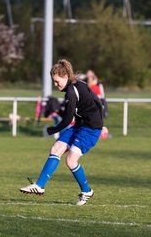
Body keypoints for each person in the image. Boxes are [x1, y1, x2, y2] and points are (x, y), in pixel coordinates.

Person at [20, 59, 103, 205]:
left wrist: (52, 129)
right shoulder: (77, 84)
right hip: (80, 125)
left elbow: (66, 120)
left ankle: (86, 191)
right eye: (53, 81)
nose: (55, 85)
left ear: (65, 77)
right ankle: (39, 186)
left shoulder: (72, 92)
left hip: (90, 129)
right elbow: (97, 101)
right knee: (55, 148)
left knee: (71, 160)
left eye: (57, 81)